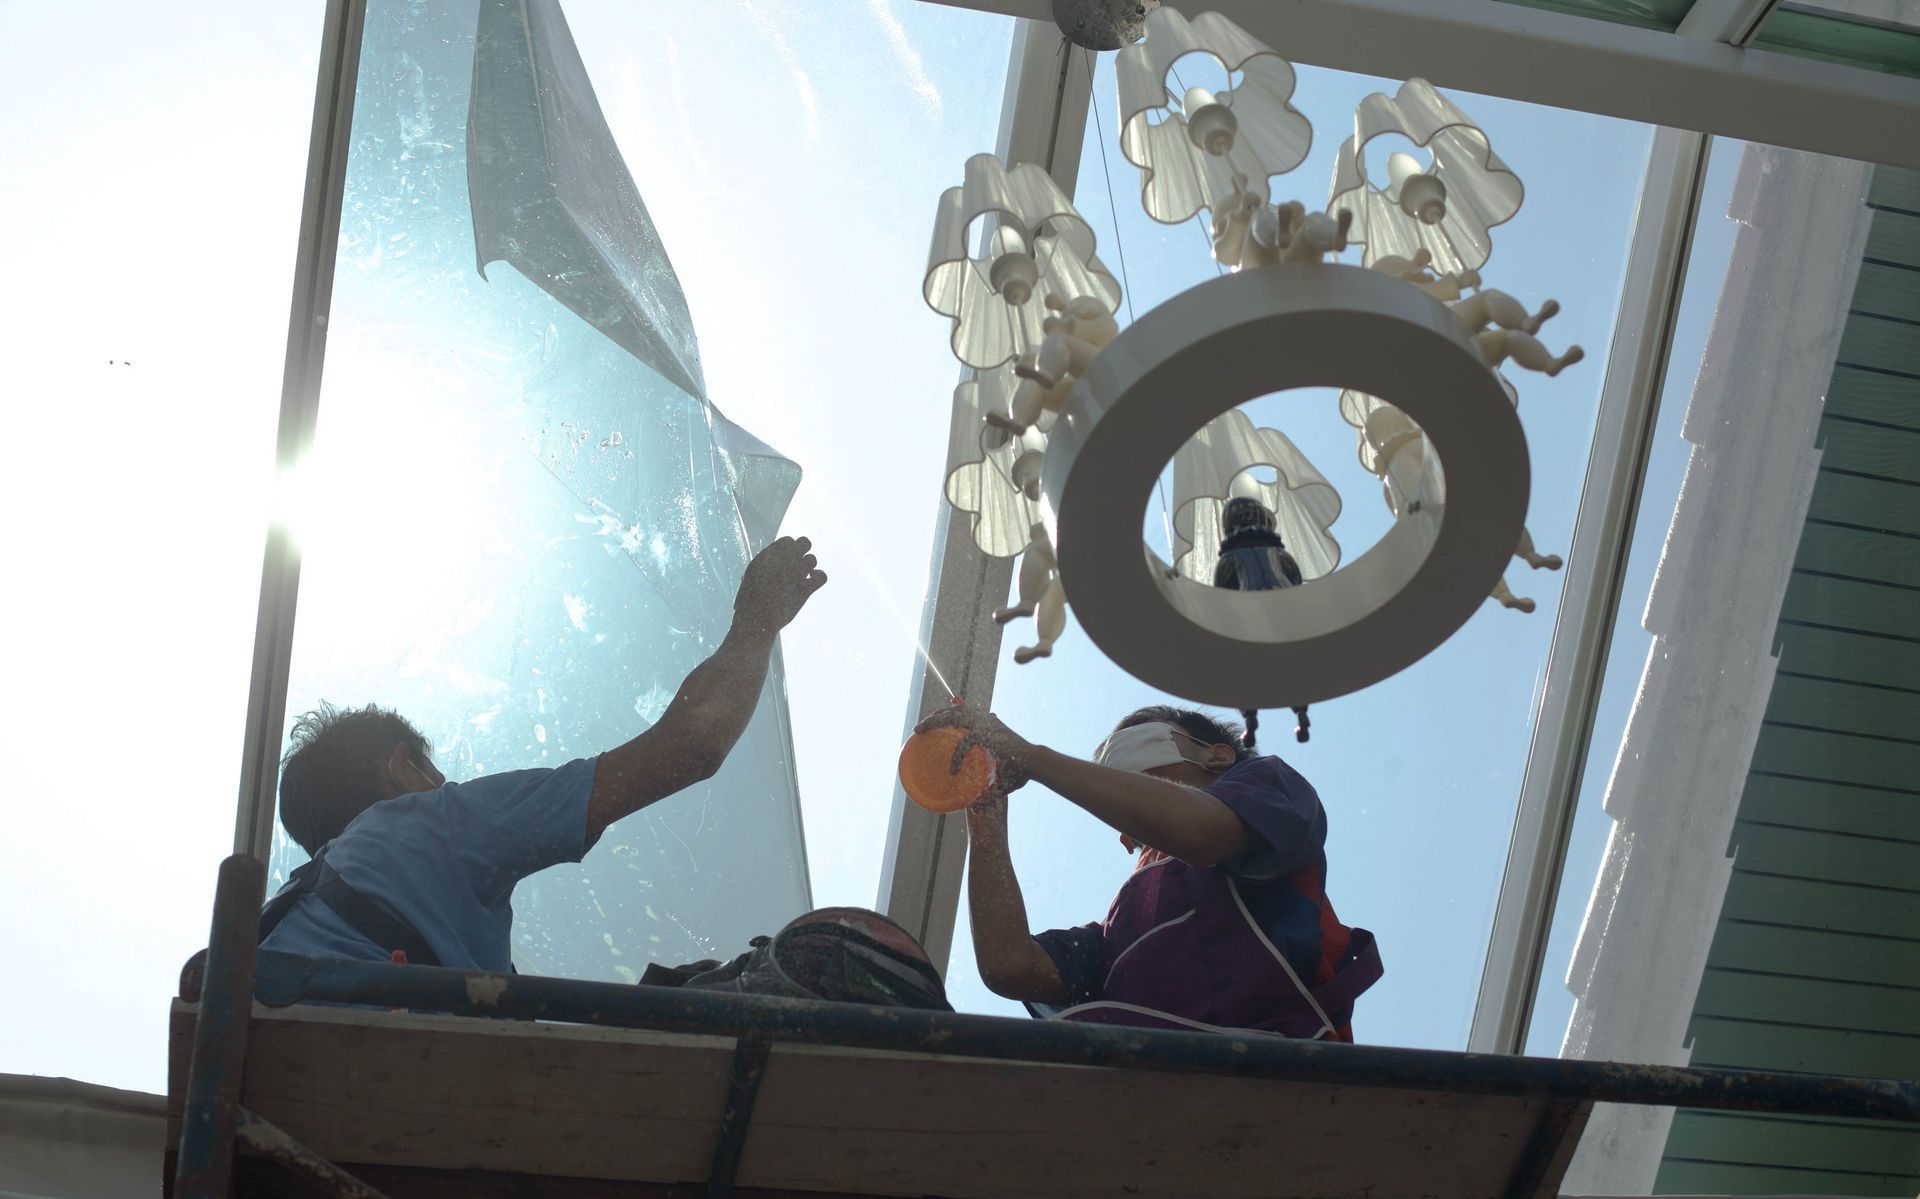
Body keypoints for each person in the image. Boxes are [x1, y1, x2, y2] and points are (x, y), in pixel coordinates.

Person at [258, 535, 828, 973]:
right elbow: (694, 744)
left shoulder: (290, 918)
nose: (446, 787)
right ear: (401, 766)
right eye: (433, 772)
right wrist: (757, 619)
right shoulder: (426, 826)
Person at [920, 703, 1381, 1039]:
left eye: (1132, 763)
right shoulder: (1116, 932)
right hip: (1149, 1105)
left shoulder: (1269, 789)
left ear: (1218, 755)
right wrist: (985, 805)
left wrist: (1031, 757)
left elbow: (1199, 832)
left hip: (1285, 1079)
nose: (1123, 823)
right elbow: (1009, 965)